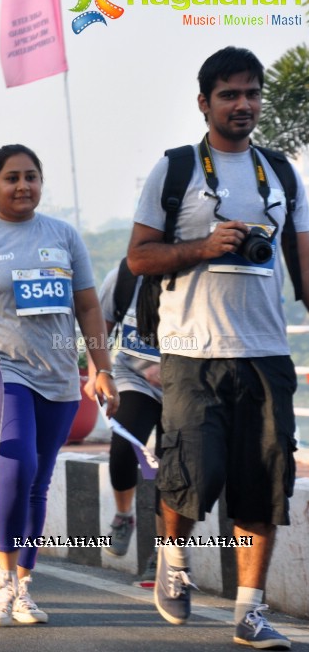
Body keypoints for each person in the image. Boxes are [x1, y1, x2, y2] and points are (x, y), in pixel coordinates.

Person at [126, 46, 306, 650]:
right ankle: (173, 561)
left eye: (252, 93)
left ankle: (248, 612)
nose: (244, 104)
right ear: (204, 103)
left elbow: (303, 268)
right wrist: (204, 245)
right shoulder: (176, 169)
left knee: (265, 482)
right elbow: (140, 257)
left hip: (265, 352)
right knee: (188, 473)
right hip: (190, 351)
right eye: (229, 94)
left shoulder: (281, 173)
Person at [0, 144, 118, 627]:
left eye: (31, 177)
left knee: (38, 481)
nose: (23, 186)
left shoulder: (63, 236)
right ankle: (1, 579)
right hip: (0, 372)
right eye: (12, 178)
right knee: (15, 463)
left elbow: (88, 309)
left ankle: (24, 584)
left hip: (58, 378)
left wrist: (101, 367)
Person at [87, 259, 163, 582]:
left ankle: (163, 555)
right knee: (122, 447)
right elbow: (99, 330)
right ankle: (123, 516)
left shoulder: (194, 276)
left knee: (173, 466)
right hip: (134, 377)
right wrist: (96, 374)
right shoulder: (123, 277)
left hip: (185, 381)